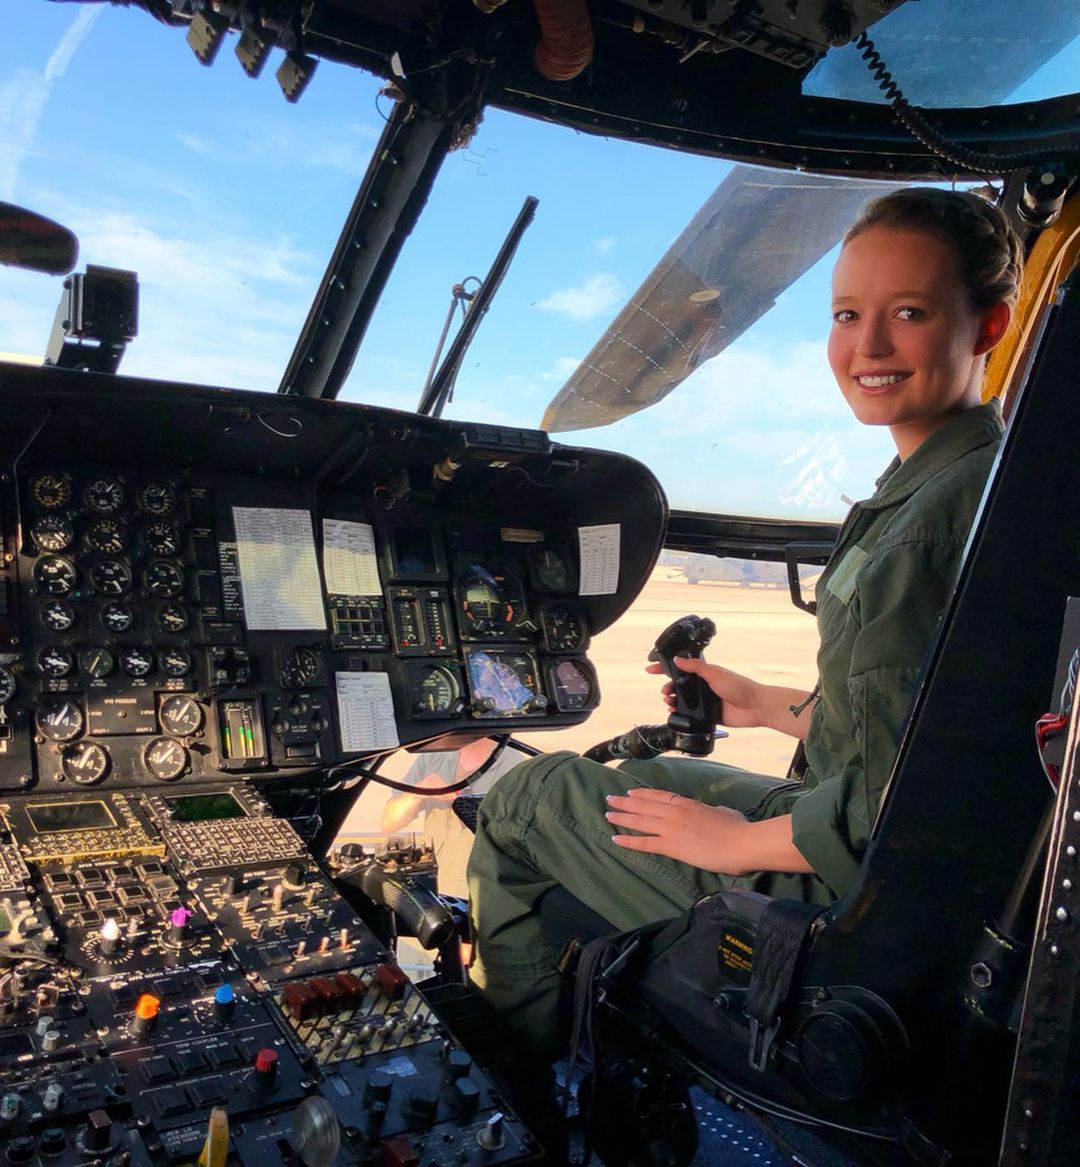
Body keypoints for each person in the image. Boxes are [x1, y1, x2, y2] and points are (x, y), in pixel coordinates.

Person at [465, 187, 1024, 1063]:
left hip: (856, 908)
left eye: (907, 313)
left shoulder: (928, 525)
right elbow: (917, 737)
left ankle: (520, 1087)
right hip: (878, 858)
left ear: (987, 326)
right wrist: (764, 704)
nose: (867, 346)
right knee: (647, 767)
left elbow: (886, 814)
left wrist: (730, 844)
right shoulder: (974, 479)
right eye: (847, 314)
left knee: (526, 799)